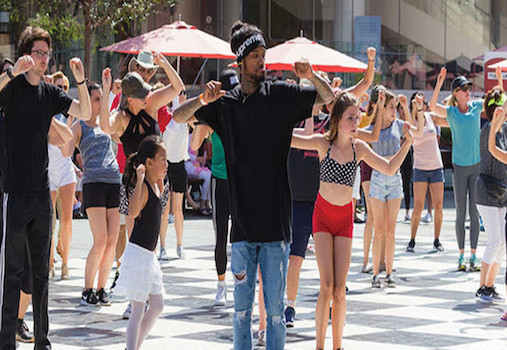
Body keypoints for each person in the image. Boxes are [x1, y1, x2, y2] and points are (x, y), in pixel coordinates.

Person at [173, 21, 334, 350]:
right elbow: (178, 116)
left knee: (276, 314)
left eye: (264, 55)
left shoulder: (282, 95)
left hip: (276, 229)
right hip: (242, 232)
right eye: (256, 56)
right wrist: (201, 99)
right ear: (240, 62)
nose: (263, 61)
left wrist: (312, 74)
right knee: (241, 314)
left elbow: (328, 98)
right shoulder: (225, 104)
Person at [291, 91, 413, 350]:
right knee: (325, 287)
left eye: (357, 118)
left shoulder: (360, 148)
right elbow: (288, 140)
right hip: (322, 218)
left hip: (344, 219)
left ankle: (338, 346)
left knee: (339, 289)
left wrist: (407, 144)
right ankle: (320, 347)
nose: (356, 123)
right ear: (337, 119)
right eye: (351, 118)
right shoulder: (323, 144)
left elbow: (390, 168)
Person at [0, 25, 91, 350]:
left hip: (42, 193)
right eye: (37, 52)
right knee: (12, 272)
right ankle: (5, 340)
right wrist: (12, 74)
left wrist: (80, 79)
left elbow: (86, 111)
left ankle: (43, 340)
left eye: (46, 54)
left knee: (41, 274)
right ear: (26, 54)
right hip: (14, 192)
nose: (43, 59)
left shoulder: (50, 93)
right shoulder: (11, 89)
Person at [284, 51, 377, 327]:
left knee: (333, 270)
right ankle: (289, 305)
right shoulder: (298, 115)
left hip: (327, 201)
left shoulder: (337, 121)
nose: (323, 95)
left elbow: (364, 85)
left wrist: (371, 63)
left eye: (325, 89)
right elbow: (290, 139)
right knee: (296, 256)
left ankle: (335, 301)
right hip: (301, 196)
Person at [63, 82, 121, 306]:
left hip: (114, 181)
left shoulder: (107, 123)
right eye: (95, 99)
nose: (98, 103)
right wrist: (68, 126)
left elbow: (119, 134)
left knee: (112, 240)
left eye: (100, 99)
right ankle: (88, 289)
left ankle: (101, 288)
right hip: (93, 183)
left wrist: (110, 90)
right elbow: (67, 151)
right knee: (101, 239)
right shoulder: (79, 126)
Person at [190, 68, 239, 306]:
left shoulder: (245, 112)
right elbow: (194, 143)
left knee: (241, 235)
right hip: (220, 179)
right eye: (226, 92)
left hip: (242, 180)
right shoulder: (214, 114)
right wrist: (203, 119)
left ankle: (242, 280)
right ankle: (221, 283)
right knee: (221, 235)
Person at [114, 135, 167, 350]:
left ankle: (134, 346)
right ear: (149, 163)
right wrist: (138, 180)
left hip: (149, 256)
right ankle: (131, 348)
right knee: (137, 310)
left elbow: (160, 212)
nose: (166, 163)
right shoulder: (143, 186)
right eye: (162, 159)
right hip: (138, 254)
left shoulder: (155, 185)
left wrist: (162, 185)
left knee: (157, 305)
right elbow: (134, 212)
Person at [365, 89, 423, 288]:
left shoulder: (399, 125)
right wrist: (379, 105)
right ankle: (375, 274)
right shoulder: (373, 129)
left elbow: (418, 131)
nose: (393, 111)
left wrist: (412, 109)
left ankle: (389, 272)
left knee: (391, 230)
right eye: (390, 107)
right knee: (378, 230)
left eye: (394, 107)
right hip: (378, 179)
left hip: (395, 180)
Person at [429, 67, 484, 271]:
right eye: (463, 88)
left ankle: (473, 255)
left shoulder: (476, 107)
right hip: (460, 168)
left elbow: (497, 103)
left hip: (476, 166)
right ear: (455, 93)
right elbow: (432, 106)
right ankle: (461, 256)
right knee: (461, 213)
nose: (467, 91)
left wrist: (498, 81)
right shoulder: (451, 113)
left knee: (474, 211)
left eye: (468, 87)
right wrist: (439, 82)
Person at [473, 88, 506, 303]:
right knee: (494, 240)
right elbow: (492, 148)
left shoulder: (505, 129)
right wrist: (495, 119)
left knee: (503, 243)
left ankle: (491, 284)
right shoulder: (487, 129)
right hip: (486, 191)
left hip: (503, 192)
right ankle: (482, 286)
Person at [406, 91, 445, 253]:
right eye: (417, 100)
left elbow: (449, 120)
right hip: (420, 168)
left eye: (423, 100)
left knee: (438, 206)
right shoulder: (410, 121)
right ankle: (412, 240)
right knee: (418, 206)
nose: (421, 102)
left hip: (436, 167)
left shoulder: (431, 117)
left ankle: (436, 240)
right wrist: (414, 107)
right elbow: (413, 130)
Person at [48, 71, 77, 280]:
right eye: (58, 86)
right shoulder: (45, 109)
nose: (61, 90)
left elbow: (68, 150)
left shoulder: (70, 114)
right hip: (48, 169)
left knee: (67, 220)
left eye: (65, 87)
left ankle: (65, 263)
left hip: (65, 168)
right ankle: (49, 262)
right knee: (49, 220)